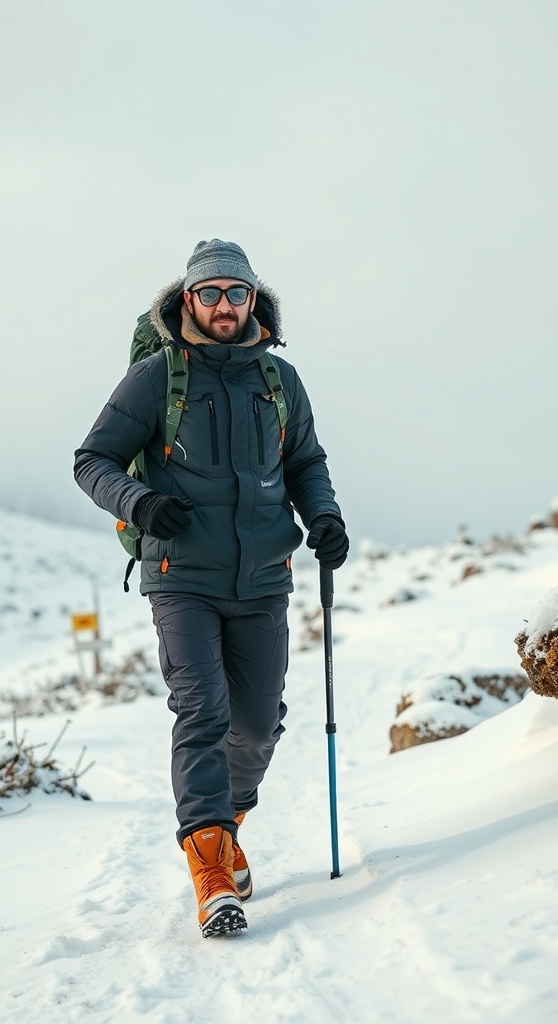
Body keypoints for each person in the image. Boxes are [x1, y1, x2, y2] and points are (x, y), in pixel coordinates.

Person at [74, 239, 348, 938]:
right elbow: (93, 459)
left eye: (236, 293)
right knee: (203, 711)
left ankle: (227, 827)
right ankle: (210, 870)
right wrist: (138, 502)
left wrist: (324, 515)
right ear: (186, 300)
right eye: (210, 293)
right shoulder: (156, 378)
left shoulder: (279, 381)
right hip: (181, 578)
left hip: (263, 578)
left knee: (256, 726)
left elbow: (306, 461)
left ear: (254, 300)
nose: (224, 306)